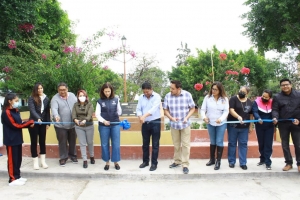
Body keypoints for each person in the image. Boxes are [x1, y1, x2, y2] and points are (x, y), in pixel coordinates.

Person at [163, 80, 195, 174]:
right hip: (174, 125)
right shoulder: (168, 96)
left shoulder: (187, 95)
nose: (170, 90)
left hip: (185, 124)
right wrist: (171, 118)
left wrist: (187, 117)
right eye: (170, 88)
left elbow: (192, 108)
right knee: (176, 145)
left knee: (185, 145)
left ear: (178, 88)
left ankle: (185, 164)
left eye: (172, 88)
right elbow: (165, 110)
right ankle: (177, 161)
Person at [1, 93, 34, 186]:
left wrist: (28, 123)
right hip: (11, 140)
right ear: (9, 101)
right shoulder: (6, 112)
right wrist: (28, 123)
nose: (17, 102)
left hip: (18, 138)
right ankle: (12, 179)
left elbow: (20, 123)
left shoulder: (15, 111)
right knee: (12, 159)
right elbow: (15, 125)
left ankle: (17, 176)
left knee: (18, 159)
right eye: (15, 101)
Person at [272, 78, 300, 172]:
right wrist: (275, 117)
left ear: (291, 85)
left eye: (287, 84)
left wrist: (299, 121)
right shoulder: (277, 97)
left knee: (298, 144)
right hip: (283, 124)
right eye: (283, 85)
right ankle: (288, 163)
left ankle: (299, 163)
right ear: (281, 87)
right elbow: (275, 109)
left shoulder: (298, 95)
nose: (285, 86)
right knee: (285, 144)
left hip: (296, 124)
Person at [201, 82, 229, 170]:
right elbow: (202, 110)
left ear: (220, 90)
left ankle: (218, 161)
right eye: (212, 89)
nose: (213, 91)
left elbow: (226, 111)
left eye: (216, 89)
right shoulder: (208, 98)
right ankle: (212, 159)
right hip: (210, 123)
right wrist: (204, 117)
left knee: (219, 141)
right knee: (212, 141)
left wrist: (221, 119)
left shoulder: (224, 99)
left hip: (221, 123)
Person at [96, 83, 122, 170]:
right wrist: (104, 121)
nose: (107, 93)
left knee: (116, 144)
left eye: (109, 91)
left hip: (115, 125)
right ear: (103, 91)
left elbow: (119, 111)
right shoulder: (99, 101)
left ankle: (116, 162)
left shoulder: (116, 99)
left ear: (111, 91)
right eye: (106, 91)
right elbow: (97, 114)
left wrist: (115, 117)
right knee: (104, 144)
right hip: (104, 126)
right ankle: (107, 162)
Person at [136, 82, 162, 171]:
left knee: (155, 144)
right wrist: (140, 116)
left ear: (151, 89)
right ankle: (145, 161)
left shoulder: (157, 97)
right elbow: (138, 109)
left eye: (147, 92)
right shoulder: (141, 97)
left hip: (155, 122)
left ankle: (154, 163)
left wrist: (143, 116)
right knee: (145, 144)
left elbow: (153, 109)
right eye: (144, 92)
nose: (146, 93)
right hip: (145, 124)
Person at [51, 82, 77, 166]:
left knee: (72, 141)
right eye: (60, 90)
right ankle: (63, 158)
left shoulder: (72, 96)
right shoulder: (55, 98)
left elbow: (77, 106)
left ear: (67, 89)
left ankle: (73, 156)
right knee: (62, 141)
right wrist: (56, 116)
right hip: (60, 125)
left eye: (64, 90)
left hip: (73, 124)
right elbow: (54, 109)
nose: (62, 92)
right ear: (58, 90)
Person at [227, 86, 253, 170]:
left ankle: (243, 163)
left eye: (243, 91)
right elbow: (231, 110)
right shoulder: (233, 99)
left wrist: (251, 125)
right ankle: (231, 161)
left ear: (247, 93)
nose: (241, 92)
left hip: (244, 127)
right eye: (240, 90)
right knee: (232, 143)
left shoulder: (249, 102)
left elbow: (251, 115)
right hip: (233, 126)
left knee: (243, 144)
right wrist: (238, 117)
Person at [28, 82, 51, 170]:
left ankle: (43, 162)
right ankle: (35, 162)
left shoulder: (46, 98)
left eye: (41, 88)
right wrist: (38, 118)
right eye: (38, 88)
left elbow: (47, 111)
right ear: (35, 90)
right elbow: (32, 110)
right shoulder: (31, 98)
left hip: (43, 123)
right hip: (34, 123)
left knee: (42, 142)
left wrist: (48, 123)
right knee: (34, 142)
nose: (40, 90)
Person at [72, 90, 95, 168]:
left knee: (90, 142)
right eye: (80, 96)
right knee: (82, 143)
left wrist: (85, 120)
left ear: (86, 96)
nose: (82, 97)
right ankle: (84, 160)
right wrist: (76, 120)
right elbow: (73, 115)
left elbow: (89, 115)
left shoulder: (90, 104)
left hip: (89, 125)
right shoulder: (75, 105)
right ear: (78, 97)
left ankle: (92, 156)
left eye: (83, 95)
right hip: (79, 126)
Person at [252, 89, 274, 170]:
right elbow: (255, 111)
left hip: (269, 127)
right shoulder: (256, 102)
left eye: (266, 97)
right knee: (261, 143)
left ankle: (268, 162)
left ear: (270, 97)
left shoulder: (273, 103)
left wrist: (275, 119)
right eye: (263, 96)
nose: (264, 98)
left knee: (268, 144)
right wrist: (258, 118)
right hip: (260, 126)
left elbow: (275, 112)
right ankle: (262, 159)